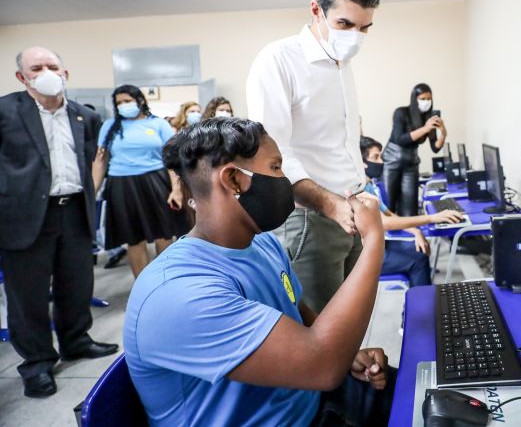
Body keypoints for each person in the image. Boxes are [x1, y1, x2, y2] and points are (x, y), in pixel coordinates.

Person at [125, 118, 394, 426]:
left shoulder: (263, 243)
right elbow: (323, 366)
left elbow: (302, 316)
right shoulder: (178, 292)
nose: (286, 181)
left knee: (428, 397)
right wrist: (373, 240)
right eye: (277, 168)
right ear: (234, 180)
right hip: (294, 409)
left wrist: (349, 356)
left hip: (308, 403)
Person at [247, 0, 380, 312]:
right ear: (316, 9)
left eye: (365, 27)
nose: (355, 37)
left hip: (353, 206)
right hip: (312, 216)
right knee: (321, 332)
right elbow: (272, 158)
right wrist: (329, 203)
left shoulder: (342, 64)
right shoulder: (278, 60)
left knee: (351, 324)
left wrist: (362, 190)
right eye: (345, 23)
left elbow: (342, 144)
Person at [0, 47, 118, 398]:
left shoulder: (85, 116)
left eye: (53, 66)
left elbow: (89, 163)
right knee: (28, 296)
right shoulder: (6, 111)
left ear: (65, 74)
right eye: (37, 68)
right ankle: (36, 364)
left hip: (74, 212)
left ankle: (76, 341)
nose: (47, 72)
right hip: (24, 216)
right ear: (23, 77)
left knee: (76, 285)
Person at [91, 85, 189, 278]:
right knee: (133, 238)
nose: (123, 105)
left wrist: (176, 189)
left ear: (140, 100)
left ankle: (166, 280)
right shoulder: (109, 126)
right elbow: (100, 161)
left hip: (156, 181)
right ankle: (142, 286)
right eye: (119, 103)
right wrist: (91, 192)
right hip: (121, 185)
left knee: (164, 234)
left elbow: (172, 161)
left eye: (127, 101)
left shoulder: (158, 124)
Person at [360, 136, 463, 287]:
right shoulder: (359, 189)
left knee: (419, 251)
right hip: (367, 257)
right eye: (376, 157)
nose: (381, 162)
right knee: (418, 260)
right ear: (361, 163)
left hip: (379, 246)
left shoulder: (368, 185)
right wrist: (431, 218)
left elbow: (389, 214)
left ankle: (421, 304)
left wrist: (416, 231)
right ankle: (422, 308)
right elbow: (385, 223)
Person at [382, 83, 447, 216]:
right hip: (392, 161)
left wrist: (443, 132)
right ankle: (389, 236)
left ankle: (411, 234)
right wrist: (425, 128)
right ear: (414, 98)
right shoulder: (401, 112)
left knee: (410, 207)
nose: (426, 102)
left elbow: (435, 148)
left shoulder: (429, 118)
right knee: (388, 204)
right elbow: (400, 139)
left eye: (429, 99)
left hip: (411, 163)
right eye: (423, 98)